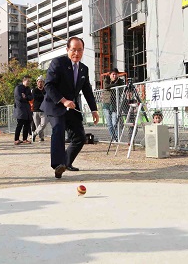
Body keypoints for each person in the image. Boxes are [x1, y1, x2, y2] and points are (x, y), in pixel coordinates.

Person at [41, 37, 99, 179]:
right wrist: (63, 100)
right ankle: (58, 164)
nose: (76, 53)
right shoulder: (58, 63)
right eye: (73, 50)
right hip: (55, 105)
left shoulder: (84, 69)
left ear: (83, 51)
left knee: (80, 137)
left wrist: (94, 110)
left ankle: (66, 163)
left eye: (80, 50)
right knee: (58, 130)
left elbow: (87, 91)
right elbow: (48, 85)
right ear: (67, 49)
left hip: (71, 107)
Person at [102, 68, 123, 141]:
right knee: (109, 124)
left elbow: (121, 88)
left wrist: (113, 85)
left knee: (114, 123)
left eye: (116, 74)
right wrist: (114, 85)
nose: (114, 76)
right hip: (106, 103)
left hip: (115, 104)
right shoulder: (106, 79)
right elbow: (106, 86)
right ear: (110, 75)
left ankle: (117, 137)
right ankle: (113, 137)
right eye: (113, 74)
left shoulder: (120, 81)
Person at [13, 75, 33, 145]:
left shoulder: (28, 89)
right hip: (20, 109)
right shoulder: (18, 88)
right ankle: (16, 139)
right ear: (24, 81)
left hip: (27, 108)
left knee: (27, 124)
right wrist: (24, 98)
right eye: (27, 81)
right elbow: (19, 97)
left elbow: (31, 97)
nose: (28, 82)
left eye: (29, 81)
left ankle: (25, 139)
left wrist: (26, 97)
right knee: (20, 124)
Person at [32, 75, 47, 142]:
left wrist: (43, 96)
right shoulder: (34, 90)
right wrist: (43, 96)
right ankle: (41, 138)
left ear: (43, 83)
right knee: (38, 125)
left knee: (43, 124)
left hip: (43, 110)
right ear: (37, 83)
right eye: (39, 82)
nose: (40, 83)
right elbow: (35, 97)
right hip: (36, 110)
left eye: (41, 82)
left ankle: (34, 133)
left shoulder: (45, 90)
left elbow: (47, 97)